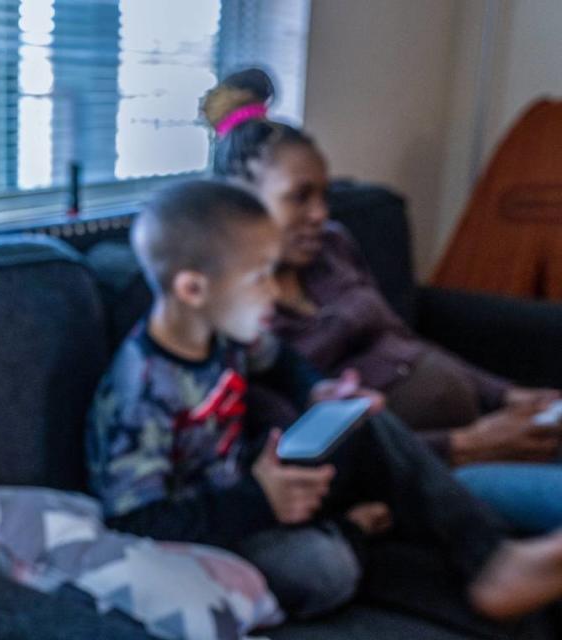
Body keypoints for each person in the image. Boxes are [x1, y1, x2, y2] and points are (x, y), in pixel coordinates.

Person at [86, 179, 562, 621]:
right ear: (193, 288)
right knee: (323, 569)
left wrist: (317, 390)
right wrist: (260, 501)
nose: (275, 292)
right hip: (205, 533)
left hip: (246, 480)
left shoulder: (223, 332)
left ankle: (491, 557)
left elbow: (281, 362)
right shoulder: (141, 392)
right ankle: (353, 530)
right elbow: (138, 522)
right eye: (260, 278)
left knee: (358, 418)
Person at [203, 68, 562, 533]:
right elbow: (307, 449)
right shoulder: (240, 321)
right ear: (240, 205)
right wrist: (470, 444)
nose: (320, 214)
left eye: (324, 195)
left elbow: (403, 340)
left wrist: (509, 394)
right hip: (423, 471)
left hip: (483, 429)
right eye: (300, 198)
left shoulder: (332, 247)